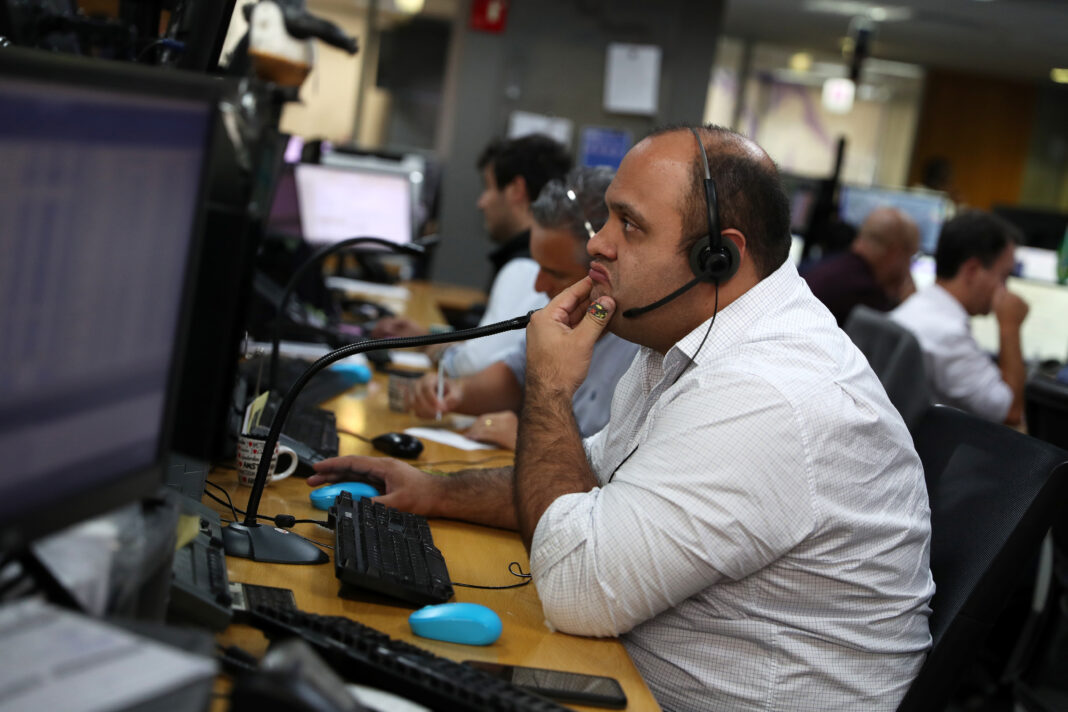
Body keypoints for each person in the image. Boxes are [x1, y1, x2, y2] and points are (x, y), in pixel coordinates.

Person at [310, 124, 934, 711]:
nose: (596, 243)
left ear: (717, 257)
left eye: (629, 226)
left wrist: (550, 386)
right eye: (608, 214)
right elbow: (596, 482)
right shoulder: (684, 339)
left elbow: (576, 589)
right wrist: (434, 493)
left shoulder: (768, 394)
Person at [406, 167, 639, 450]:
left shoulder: (643, 349)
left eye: (554, 273)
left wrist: (537, 440)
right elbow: (517, 374)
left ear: (610, 268)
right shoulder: (573, 313)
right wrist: (455, 393)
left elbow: (615, 472)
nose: (539, 285)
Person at [373, 134, 572, 377]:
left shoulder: (525, 268)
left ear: (516, 191)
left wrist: (429, 347)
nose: (481, 202)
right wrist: (426, 337)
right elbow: (488, 349)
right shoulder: (530, 261)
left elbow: (474, 366)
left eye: (488, 187)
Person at [891, 210, 1028, 425]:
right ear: (972, 270)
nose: (1006, 289)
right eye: (1003, 276)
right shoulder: (948, 334)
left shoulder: (917, 306)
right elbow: (1011, 412)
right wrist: (1010, 327)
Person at [802, 206, 920, 326]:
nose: (909, 266)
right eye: (910, 257)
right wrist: (909, 305)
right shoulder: (866, 293)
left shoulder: (827, 266)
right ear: (896, 254)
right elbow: (896, 338)